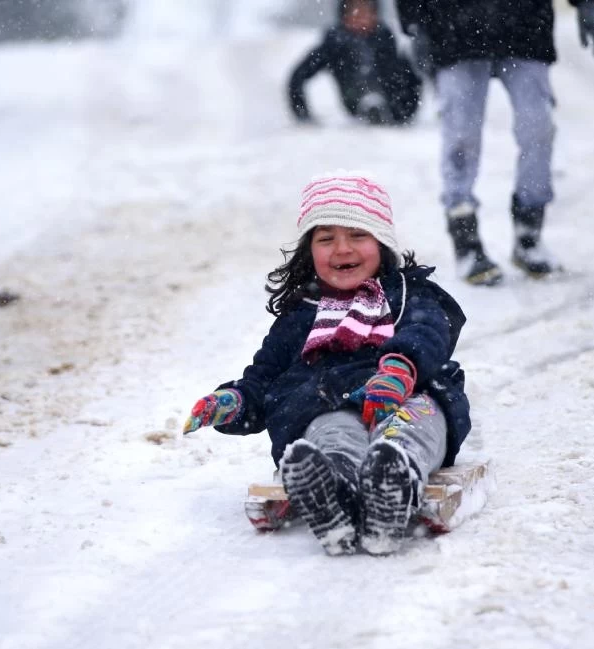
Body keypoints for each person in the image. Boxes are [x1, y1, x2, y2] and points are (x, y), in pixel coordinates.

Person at [181, 173, 472, 557]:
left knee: (410, 428)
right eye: (326, 238)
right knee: (331, 434)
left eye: (357, 235)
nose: (342, 249)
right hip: (329, 405)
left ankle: (393, 481)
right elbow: (264, 378)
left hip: (406, 396)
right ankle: (332, 491)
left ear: (382, 243)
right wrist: (233, 401)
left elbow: (427, 332)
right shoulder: (299, 315)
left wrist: (400, 369)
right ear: (309, 251)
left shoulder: (408, 295)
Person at [397, 0, 594, 285]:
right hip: (453, 30)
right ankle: (465, 238)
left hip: (525, 26)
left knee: (539, 128)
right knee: (461, 136)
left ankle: (529, 233)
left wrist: (587, 5)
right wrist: (415, 24)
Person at [287, 0, 423, 126]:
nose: (360, 16)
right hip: (354, 97)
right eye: (354, 11)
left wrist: (407, 110)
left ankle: (380, 105)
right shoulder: (335, 43)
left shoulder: (385, 38)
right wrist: (302, 114)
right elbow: (298, 76)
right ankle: (370, 103)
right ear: (343, 15)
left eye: (366, 11)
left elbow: (411, 78)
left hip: (393, 103)